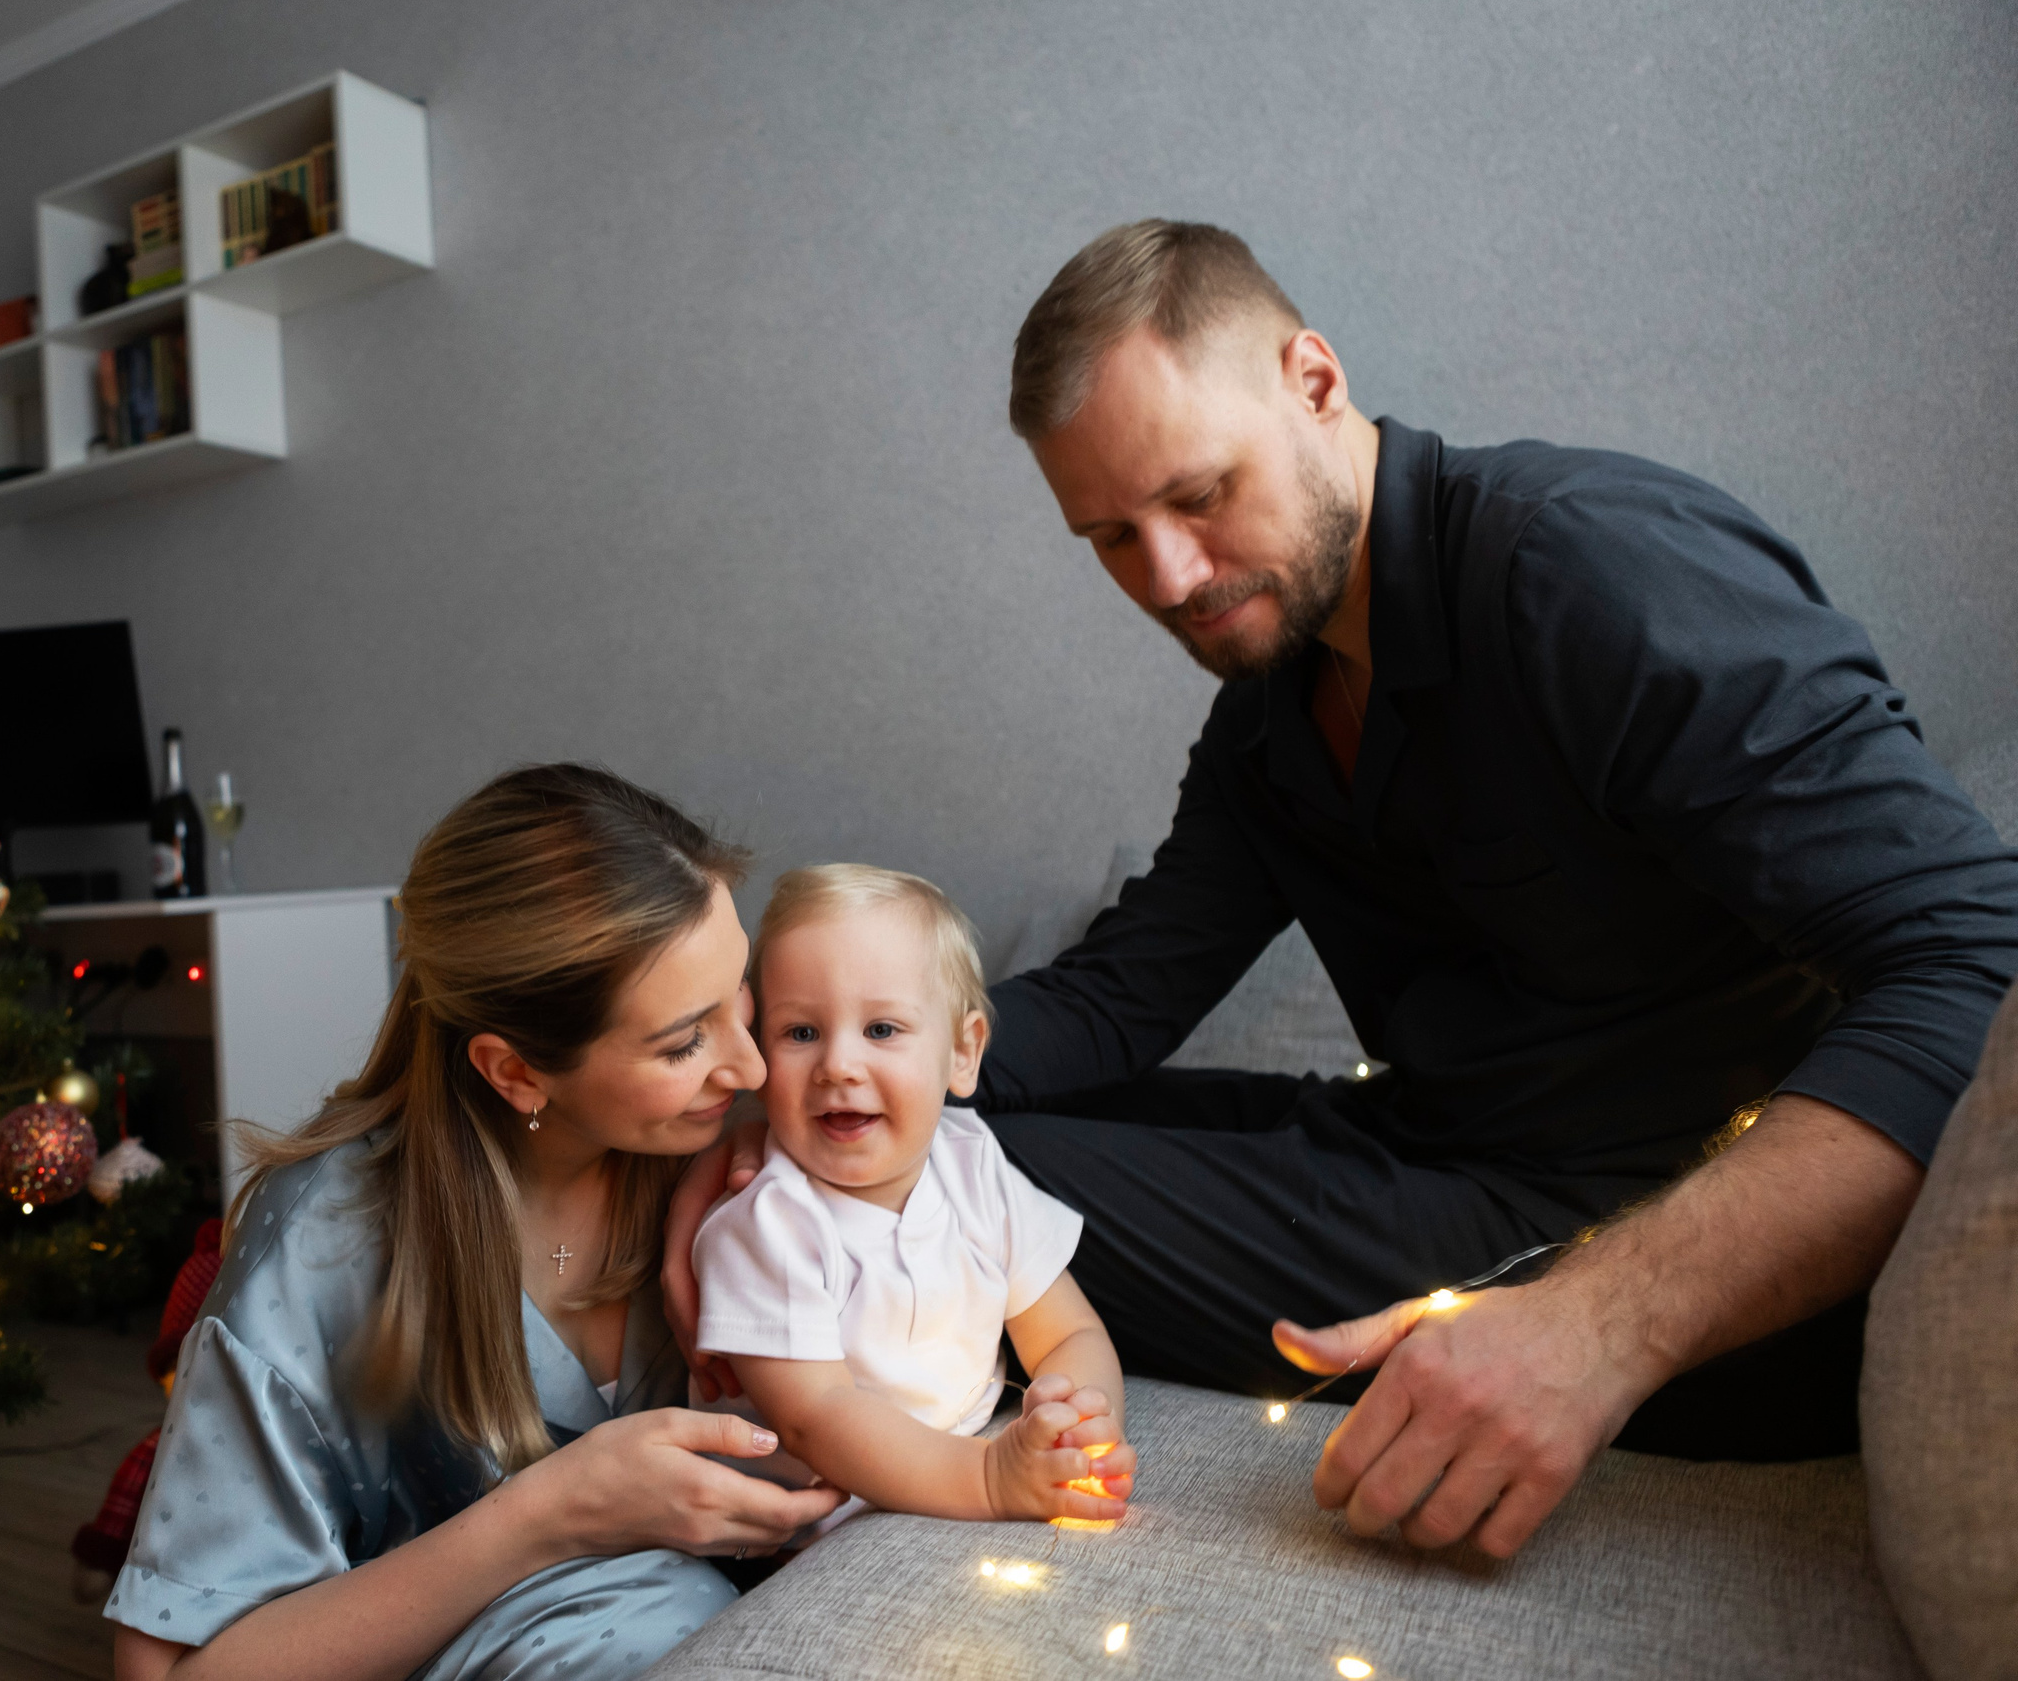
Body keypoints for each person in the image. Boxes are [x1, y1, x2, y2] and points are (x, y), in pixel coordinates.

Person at [670, 219, 2018, 1563]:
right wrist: (784, 1092)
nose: (1172, 578)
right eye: (1113, 537)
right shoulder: (1273, 705)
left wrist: (1601, 1323)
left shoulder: (1596, 573)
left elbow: (1981, 953)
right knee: (889, 1119)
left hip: (1667, 1231)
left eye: (1199, 495)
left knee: (939, 1173)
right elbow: (1121, 994)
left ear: (1313, 378)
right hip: (1431, 1140)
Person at [109, 764, 842, 1681]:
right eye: (683, 1041)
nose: (754, 1067)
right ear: (517, 1072)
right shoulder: (329, 1242)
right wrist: (551, 1515)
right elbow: (170, 1671)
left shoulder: (730, 1162)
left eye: (741, 994)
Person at [693, 865, 1135, 1531]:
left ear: (963, 1052)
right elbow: (819, 1416)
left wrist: (1076, 1417)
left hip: (963, 1458)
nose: (839, 1063)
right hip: (814, 1521)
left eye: (881, 1029)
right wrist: (987, 1477)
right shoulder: (769, 1222)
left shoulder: (971, 1164)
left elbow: (1069, 1329)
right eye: (801, 1032)